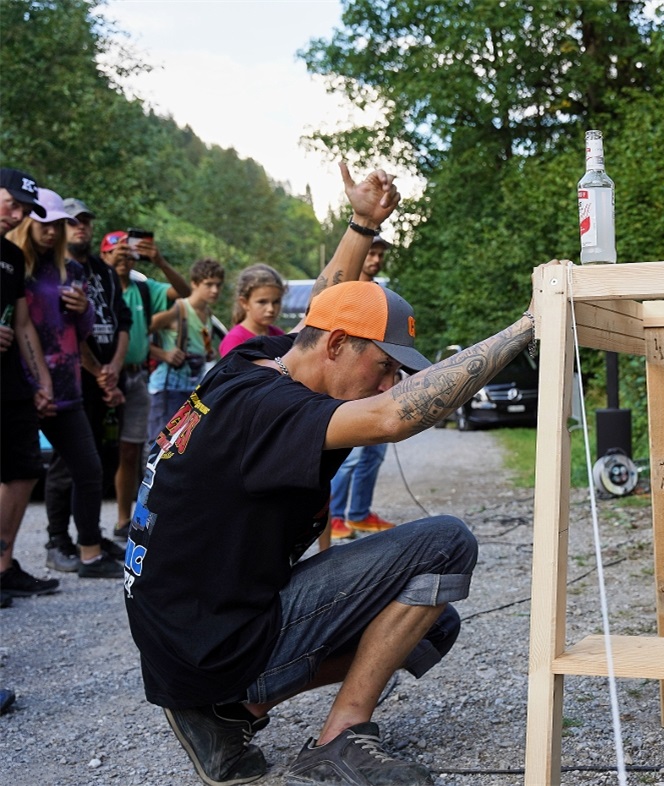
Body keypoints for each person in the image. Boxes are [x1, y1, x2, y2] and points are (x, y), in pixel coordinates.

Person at [122, 163, 541, 786]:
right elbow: (394, 416)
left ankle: (227, 713)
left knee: (431, 620)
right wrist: (528, 327)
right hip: (208, 641)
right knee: (446, 545)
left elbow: (329, 295)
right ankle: (339, 738)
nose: (389, 380)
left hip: (184, 636)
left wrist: (363, 223)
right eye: (385, 364)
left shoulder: (255, 361)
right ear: (340, 345)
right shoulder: (272, 409)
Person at [7, 188, 123, 579]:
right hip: (21, 388)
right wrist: (35, 383)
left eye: (58, 224)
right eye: (45, 223)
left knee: (88, 468)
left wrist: (85, 309)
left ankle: (89, 552)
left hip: (66, 387)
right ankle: (25, 556)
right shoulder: (12, 267)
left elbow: (82, 330)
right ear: (26, 221)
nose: (52, 231)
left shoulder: (70, 271)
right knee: (20, 477)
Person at [42, 197, 131, 571]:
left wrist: (112, 369)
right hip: (73, 379)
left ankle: (89, 537)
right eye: (73, 221)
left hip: (110, 379)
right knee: (68, 463)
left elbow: (123, 321)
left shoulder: (102, 269)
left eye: (86, 221)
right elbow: (63, 331)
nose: (81, 227)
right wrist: (99, 372)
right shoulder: (53, 269)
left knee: (100, 461)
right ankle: (57, 541)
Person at [101, 229, 191, 539]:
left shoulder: (142, 289)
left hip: (136, 377)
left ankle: (123, 520)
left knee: (131, 450)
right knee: (93, 450)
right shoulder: (99, 289)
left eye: (129, 255)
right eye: (118, 254)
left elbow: (184, 291)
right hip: (101, 376)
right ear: (104, 257)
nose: (124, 260)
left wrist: (159, 260)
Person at [0, 167, 58, 601]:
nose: (17, 214)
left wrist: (42, 381)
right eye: (12, 202)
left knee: (23, 470)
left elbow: (22, 322)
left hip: (10, 381)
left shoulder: (12, 256)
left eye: (24, 208)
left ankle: (3, 564)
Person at [328, 236, 396, 542]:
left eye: (381, 254)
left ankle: (359, 513)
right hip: (349, 380)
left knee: (375, 450)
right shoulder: (343, 290)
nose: (376, 259)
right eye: (372, 251)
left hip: (377, 379)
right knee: (349, 455)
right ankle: (336, 516)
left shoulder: (381, 293)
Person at [146, 257, 224, 441]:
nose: (215, 290)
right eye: (209, 284)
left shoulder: (207, 313)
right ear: (195, 283)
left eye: (218, 285)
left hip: (192, 390)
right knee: (160, 445)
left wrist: (208, 353)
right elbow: (138, 333)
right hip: (167, 390)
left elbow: (201, 343)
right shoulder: (179, 309)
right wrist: (163, 354)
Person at [218, 263, 286, 356]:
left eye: (276, 302)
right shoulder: (235, 340)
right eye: (262, 302)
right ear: (244, 303)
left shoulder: (279, 335)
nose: (271, 309)